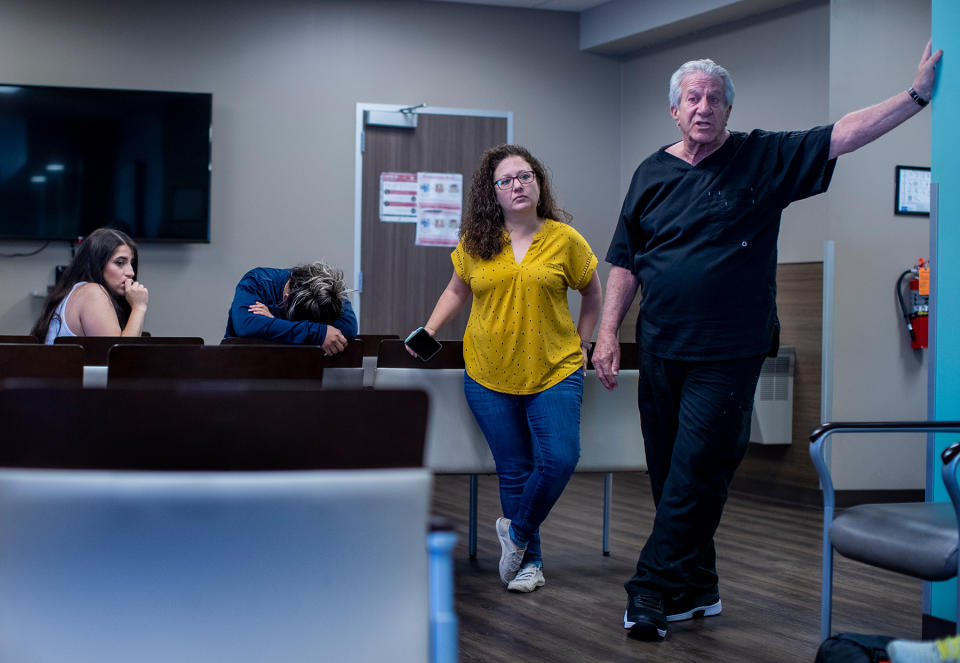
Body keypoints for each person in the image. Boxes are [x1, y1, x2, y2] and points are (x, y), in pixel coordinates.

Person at [592, 40, 943, 639]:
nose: (704, 106)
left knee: (698, 467)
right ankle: (698, 587)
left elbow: (843, 135)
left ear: (729, 109)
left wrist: (915, 98)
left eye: (715, 98)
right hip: (660, 347)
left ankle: (650, 592)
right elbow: (624, 260)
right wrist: (607, 335)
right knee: (669, 474)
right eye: (692, 98)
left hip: (729, 352)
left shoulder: (763, 158)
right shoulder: (650, 172)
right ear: (674, 111)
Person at [410, 144, 602, 593]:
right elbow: (456, 292)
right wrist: (429, 330)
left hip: (555, 368)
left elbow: (593, 292)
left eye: (525, 176)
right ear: (491, 192)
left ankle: (514, 534)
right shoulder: (476, 242)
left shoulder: (564, 239)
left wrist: (586, 339)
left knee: (559, 458)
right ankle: (529, 564)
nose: (518, 185)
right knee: (514, 468)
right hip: (488, 373)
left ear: (538, 182)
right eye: (506, 180)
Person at [32, 227, 149, 343]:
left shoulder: (79, 291)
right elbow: (120, 357)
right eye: (120, 263)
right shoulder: (92, 293)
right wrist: (139, 307)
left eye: (131, 263)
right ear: (97, 264)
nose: (131, 272)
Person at [224, 261, 357, 353]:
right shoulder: (258, 281)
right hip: (244, 368)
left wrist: (273, 323)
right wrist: (318, 333)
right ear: (286, 299)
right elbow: (246, 326)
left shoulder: (330, 290)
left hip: (301, 375)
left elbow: (348, 329)